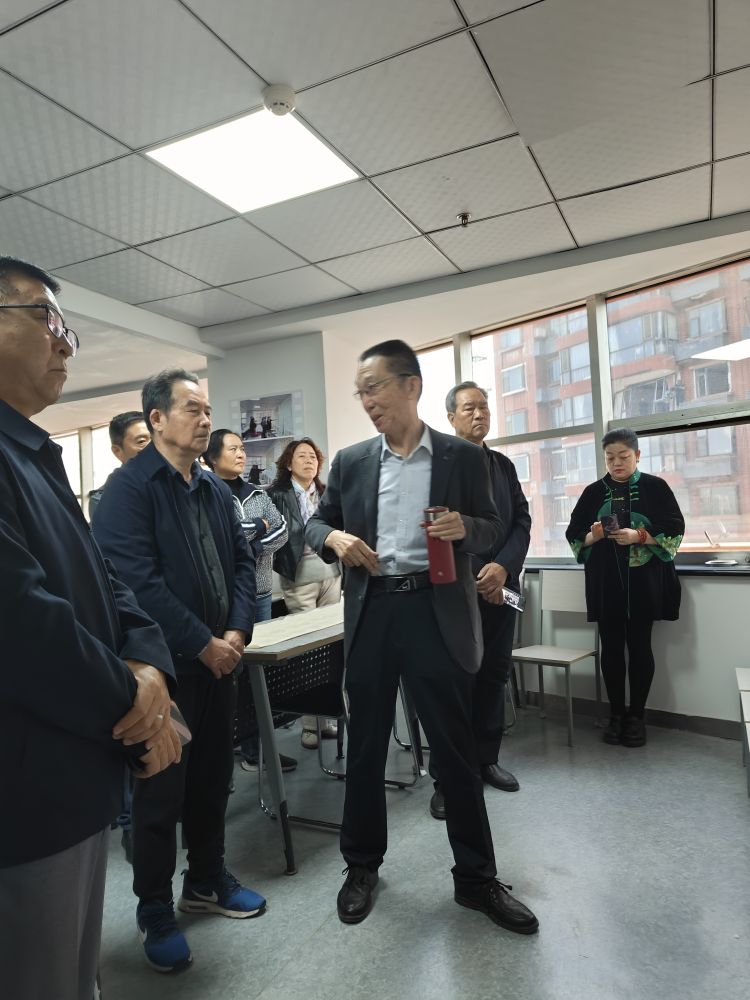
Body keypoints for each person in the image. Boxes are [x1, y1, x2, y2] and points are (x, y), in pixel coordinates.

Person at [305, 339, 539, 935]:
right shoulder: (353, 461)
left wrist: (466, 529)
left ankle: (476, 878)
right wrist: (333, 539)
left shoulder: (462, 457)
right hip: (373, 611)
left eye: (375, 388)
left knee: (454, 750)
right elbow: (317, 522)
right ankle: (362, 866)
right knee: (366, 746)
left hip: (435, 613)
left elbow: (494, 526)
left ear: (411, 386)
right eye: (360, 392)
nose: (367, 401)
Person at [0, 256, 180, 1000]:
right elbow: (23, 622)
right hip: (26, 797)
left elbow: (108, 583)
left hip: (76, 779)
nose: (64, 340)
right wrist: (137, 711)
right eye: (45, 317)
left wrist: (150, 668)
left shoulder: (33, 454)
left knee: (76, 976)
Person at [93, 369, 264, 974]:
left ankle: (207, 879)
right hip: (163, 673)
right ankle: (154, 908)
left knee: (215, 779)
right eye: (192, 408)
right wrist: (201, 643)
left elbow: (243, 561)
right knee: (160, 794)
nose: (204, 418)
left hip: (221, 662)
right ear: (157, 418)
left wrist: (237, 631)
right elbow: (134, 583)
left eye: (207, 408)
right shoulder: (128, 490)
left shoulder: (213, 487)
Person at [425, 381, 531, 820]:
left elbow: (521, 521)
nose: (479, 414)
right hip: (456, 594)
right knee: (454, 686)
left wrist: (503, 567)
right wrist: (473, 576)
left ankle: (486, 759)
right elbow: (434, 531)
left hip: (502, 590)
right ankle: (448, 779)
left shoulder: (502, 465)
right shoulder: (439, 468)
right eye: (469, 408)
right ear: (451, 417)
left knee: (493, 676)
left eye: (484, 407)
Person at [565, 427, 684, 747]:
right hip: (605, 582)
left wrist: (639, 536)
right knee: (612, 649)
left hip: (644, 583)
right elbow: (574, 533)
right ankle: (616, 715)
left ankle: (637, 717)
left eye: (623, 456)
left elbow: (675, 527)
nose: (616, 463)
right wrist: (593, 536)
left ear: (637, 455)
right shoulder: (593, 492)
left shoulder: (656, 487)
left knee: (641, 647)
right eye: (610, 458)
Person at [202, 428, 294, 773]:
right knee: (233, 674)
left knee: (260, 675)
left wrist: (250, 543)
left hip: (262, 594)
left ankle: (258, 748)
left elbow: (281, 531)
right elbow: (220, 537)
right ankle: (232, 750)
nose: (241, 454)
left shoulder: (257, 492)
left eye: (242, 448)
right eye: (232, 449)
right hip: (229, 600)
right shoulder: (208, 493)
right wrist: (258, 526)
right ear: (211, 458)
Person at [269, 437, 342, 750]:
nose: (309, 461)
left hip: (331, 574)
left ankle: (326, 718)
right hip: (298, 577)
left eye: (313, 456)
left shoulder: (326, 492)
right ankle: (310, 724)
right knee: (307, 651)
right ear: (289, 464)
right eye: (302, 456)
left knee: (330, 647)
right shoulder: (277, 495)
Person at [88, 410, 151, 522]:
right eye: (141, 441)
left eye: (156, 438)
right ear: (118, 451)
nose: (153, 446)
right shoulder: (102, 499)